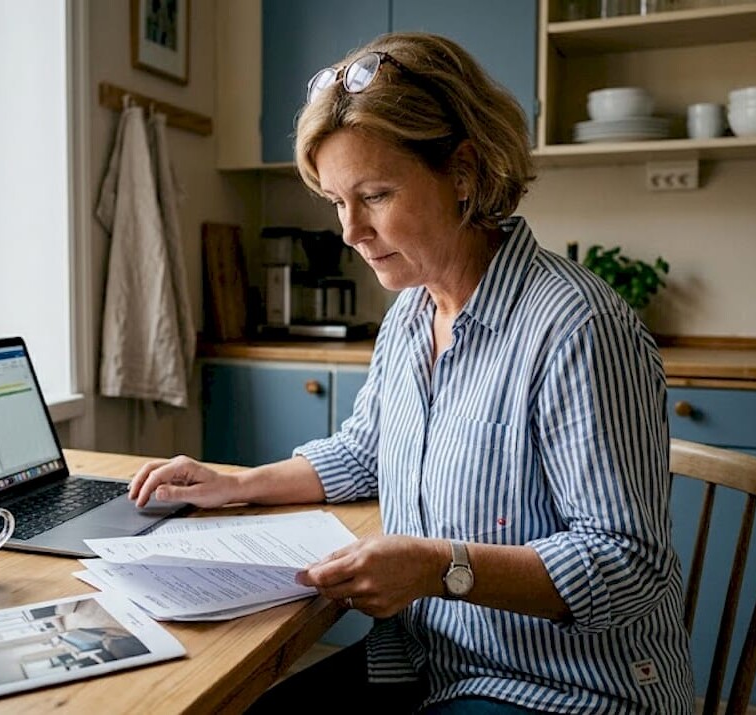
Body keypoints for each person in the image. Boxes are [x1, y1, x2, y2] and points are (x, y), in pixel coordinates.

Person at [130, 31, 694, 714]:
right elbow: (366, 451)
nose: (350, 231)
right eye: (337, 201)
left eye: (374, 195)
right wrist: (237, 483)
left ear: (464, 171)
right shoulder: (409, 314)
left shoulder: (576, 327)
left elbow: (627, 562)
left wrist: (438, 566)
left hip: (566, 688)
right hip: (434, 660)